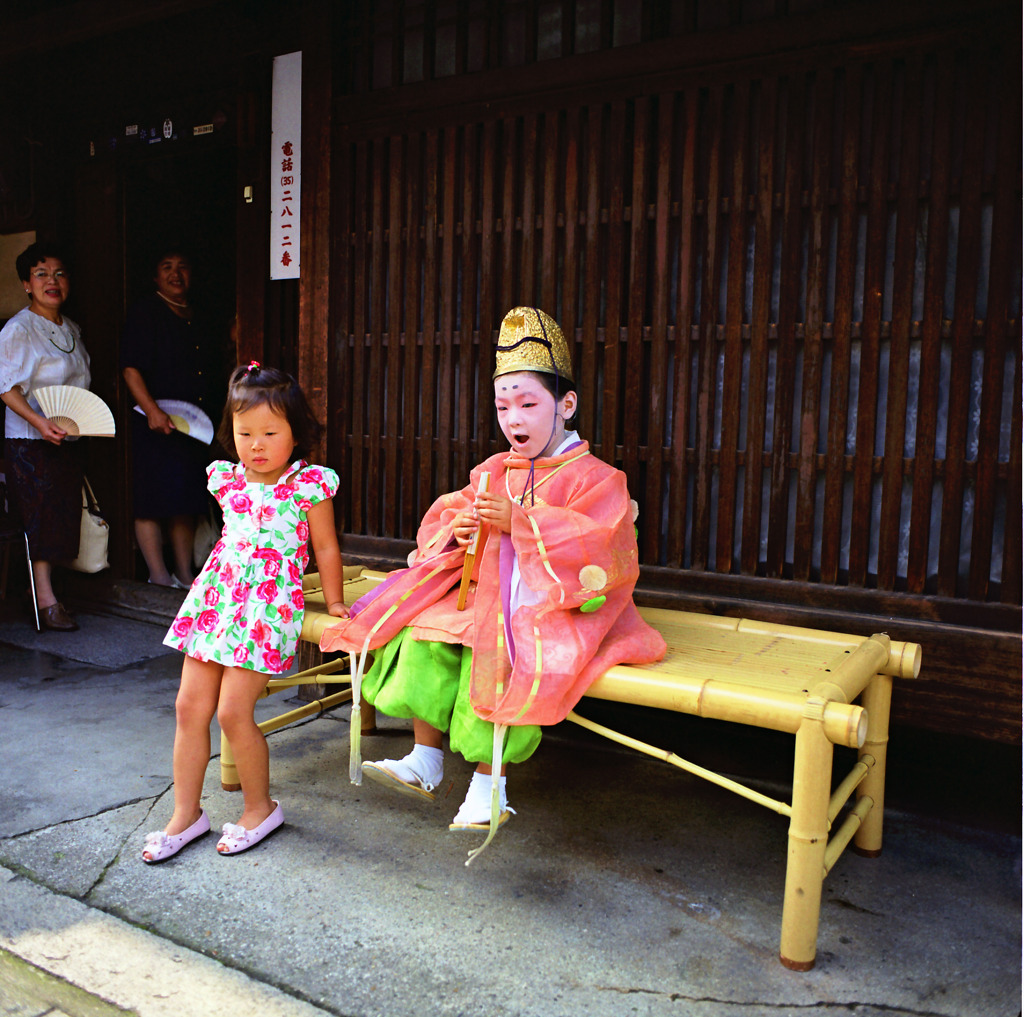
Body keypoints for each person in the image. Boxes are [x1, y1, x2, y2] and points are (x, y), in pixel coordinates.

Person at [320, 306, 666, 854]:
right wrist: (458, 527)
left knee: (508, 650)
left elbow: (605, 545)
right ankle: (425, 759)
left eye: (529, 403)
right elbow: (447, 516)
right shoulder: (494, 469)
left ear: (566, 405)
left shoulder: (600, 478)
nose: (514, 418)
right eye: (504, 406)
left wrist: (523, 523)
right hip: (482, 595)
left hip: (558, 607)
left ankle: (489, 784)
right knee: (422, 629)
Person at [141, 363, 348, 863]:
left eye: (270, 433)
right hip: (217, 599)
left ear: (295, 433)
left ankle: (260, 807)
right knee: (189, 707)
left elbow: (326, 548)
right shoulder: (226, 479)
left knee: (234, 712)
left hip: (265, 608)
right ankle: (186, 813)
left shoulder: (309, 485)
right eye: (244, 433)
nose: (256, 444)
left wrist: (337, 604)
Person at [0, 242, 92, 632]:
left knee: (62, 514)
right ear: (26, 284)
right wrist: (39, 424)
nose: (51, 281)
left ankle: (40, 591)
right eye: (41, 274)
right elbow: (6, 387)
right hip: (29, 439)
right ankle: (46, 599)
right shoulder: (18, 329)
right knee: (41, 515)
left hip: (65, 437)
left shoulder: (71, 328)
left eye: (59, 273)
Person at [121, 248, 223, 588]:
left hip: (191, 426)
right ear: (155, 276)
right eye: (167, 267)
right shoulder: (145, 312)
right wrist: (152, 411)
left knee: (186, 499)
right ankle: (158, 575)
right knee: (150, 499)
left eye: (182, 266)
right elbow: (130, 368)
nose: (175, 274)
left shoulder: (198, 314)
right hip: (153, 420)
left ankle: (183, 572)